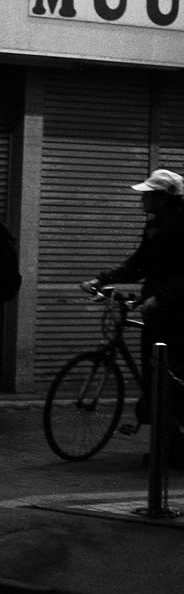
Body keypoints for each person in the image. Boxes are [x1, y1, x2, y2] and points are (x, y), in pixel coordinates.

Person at [80, 168, 184, 433]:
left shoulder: (180, 224)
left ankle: (174, 441)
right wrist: (101, 280)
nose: (142, 200)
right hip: (156, 309)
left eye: (147, 195)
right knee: (153, 373)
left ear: (163, 197)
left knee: (171, 374)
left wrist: (160, 298)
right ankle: (163, 437)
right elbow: (139, 263)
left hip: (177, 310)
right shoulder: (154, 225)